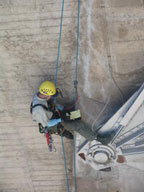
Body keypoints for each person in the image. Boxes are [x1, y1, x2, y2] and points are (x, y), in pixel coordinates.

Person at [31, 81, 97, 141]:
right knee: (79, 125)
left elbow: (50, 103)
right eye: (51, 96)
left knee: (76, 114)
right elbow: (47, 124)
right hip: (52, 124)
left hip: (54, 115)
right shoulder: (38, 110)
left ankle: (68, 130)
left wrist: (61, 108)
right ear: (46, 95)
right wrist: (60, 120)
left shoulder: (39, 94)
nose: (51, 97)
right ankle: (95, 138)